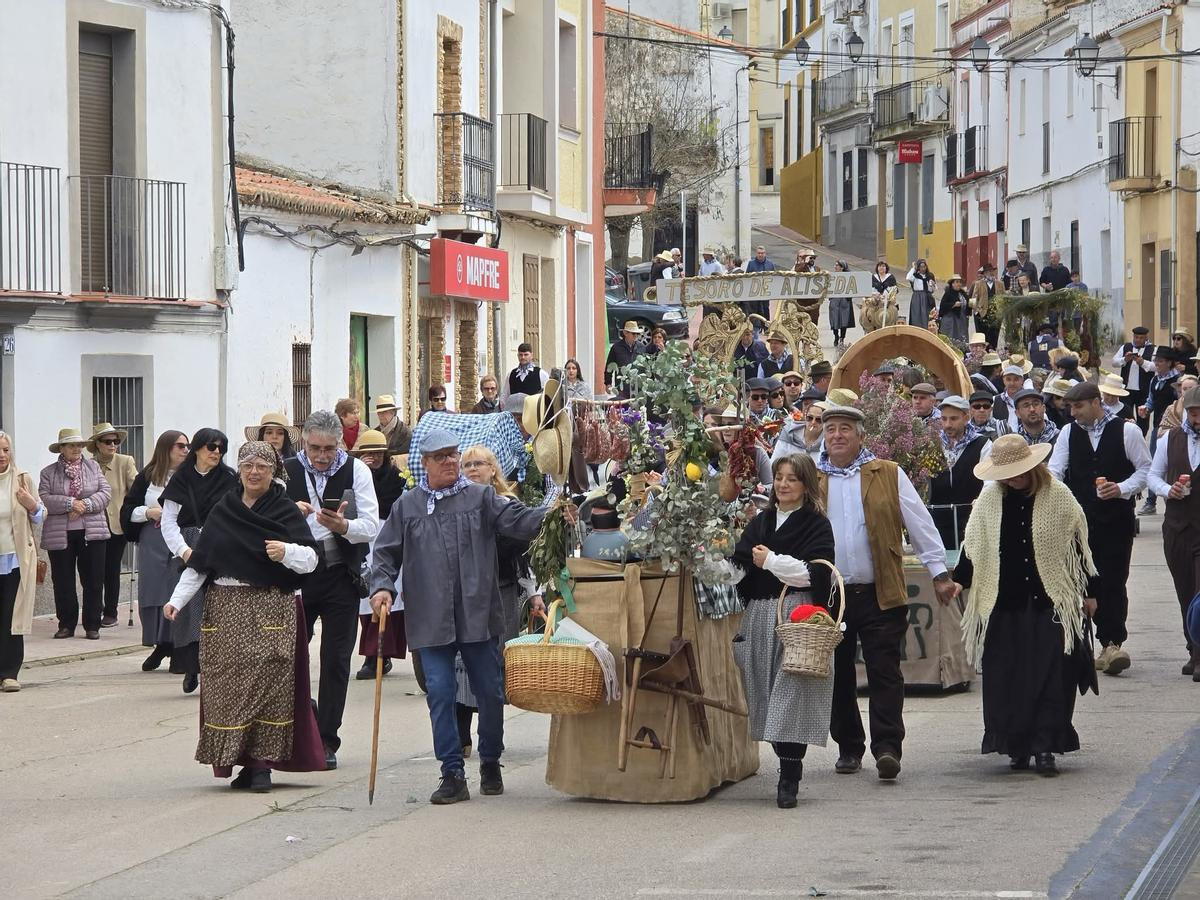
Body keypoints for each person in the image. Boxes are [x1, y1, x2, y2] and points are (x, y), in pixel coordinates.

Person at [367, 428, 562, 804]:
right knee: (440, 691)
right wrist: (381, 587)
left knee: (489, 690)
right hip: (430, 614)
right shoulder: (408, 506)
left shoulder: (481, 498)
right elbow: (385, 552)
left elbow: (520, 520)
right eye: (441, 456)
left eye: (452, 454)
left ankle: (490, 760)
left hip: (477, 611)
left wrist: (553, 512)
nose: (450, 461)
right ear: (424, 463)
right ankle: (452, 772)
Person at [163, 441, 324, 793]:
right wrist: (176, 600)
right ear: (239, 470)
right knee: (229, 688)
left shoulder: (283, 509)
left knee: (268, 684)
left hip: (271, 607)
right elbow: (201, 563)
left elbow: (311, 559)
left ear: (273, 471)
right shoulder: (224, 510)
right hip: (224, 609)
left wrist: (286, 551)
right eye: (247, 466)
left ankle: (262, 763)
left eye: (261, 467)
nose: (254, 472)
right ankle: (244, 762)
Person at [816, 405, 957, 780]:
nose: (837, 435)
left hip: (880, 590)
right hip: (831, 595)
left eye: (845, 428)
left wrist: (938, 573)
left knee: (885, 671)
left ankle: (887, 747)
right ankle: (849, 747)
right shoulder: (812, 477)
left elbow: (919, 522)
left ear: (861, 435)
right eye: (831, 429)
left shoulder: (888, 472)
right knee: (838, 674)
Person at [955, 435, 1099, 776]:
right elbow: (974, 545)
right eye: (1005, 474)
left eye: (1017, 472)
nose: (1012, 479)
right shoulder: (989, 499)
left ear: (1033, 467)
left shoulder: (1058, 495)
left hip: (1049, 602)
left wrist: (1090, 593)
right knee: (1007, 679)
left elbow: (1079, 547)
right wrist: (959, 580)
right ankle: (1015, 746)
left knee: (1050, 677)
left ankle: (1045, 746)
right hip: (1003, 603)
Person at [731, 454, 836, 808]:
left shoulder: (816, 524)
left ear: (806, 484)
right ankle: (786, 759)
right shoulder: (760, 522)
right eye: (779, 477)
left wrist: (771, 561)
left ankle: (789, 775)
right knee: (764, 693)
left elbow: (816, 573)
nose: (784, 484)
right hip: (760, 615)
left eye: (792, 478)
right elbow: (740, 566)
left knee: (791, 693)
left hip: (797, 616)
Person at [284, 410, 380, 768]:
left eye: (329, 448)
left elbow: (370, 525)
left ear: (340, 443)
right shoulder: (287, 470)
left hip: (341, 573)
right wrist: (290, 515)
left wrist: (343, 527)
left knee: (337, 660)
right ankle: (303, 720)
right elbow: (264, 518)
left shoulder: (357, 471)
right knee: (290, 655)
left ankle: (327, 739)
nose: (322, 456)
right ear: (304, 442)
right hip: (297, 574)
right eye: (315, 448)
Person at [1049, 382, 1151, 676]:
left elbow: (1145, 470)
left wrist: (1121, 488)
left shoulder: (1127, 431)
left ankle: (1112, 643)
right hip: (1079, 523)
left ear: (1096, 402)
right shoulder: (1068, 433)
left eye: (1078, 406)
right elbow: (1056, 471)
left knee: (1114, 580)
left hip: (1116, 520)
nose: (1073, 412)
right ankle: (1086, 645)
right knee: (1083, 582)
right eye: (1070, 407)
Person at [456, 445, 545, 754]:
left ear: (492, 469)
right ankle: (462, 736)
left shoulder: (508, 505)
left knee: (494, 662)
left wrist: (533, 593)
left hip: (502, 590)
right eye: (467, 465)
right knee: (461, 662)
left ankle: (490, 737)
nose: (472, 469)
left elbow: (524, 556)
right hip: (465, 593)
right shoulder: (455, 505)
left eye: (478, 463)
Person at [160, 428, 239, 692]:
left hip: (222, 544)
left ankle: (218, 670)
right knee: (191, 608)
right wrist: (184, 551)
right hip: (188, 543)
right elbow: (168, 522)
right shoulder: (180, 479)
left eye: (221, 448)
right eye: (211, 447)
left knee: (220, 608)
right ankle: (191, 667)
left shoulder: (229, 478)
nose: (216, 452)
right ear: (197, 448)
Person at [119, 430, 190, 673]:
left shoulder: (191, 475)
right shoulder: (147, 476)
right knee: (154, 589)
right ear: (166, 448)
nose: (185, 450)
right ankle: (160, 643)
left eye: (187, 446)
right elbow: (128, 509)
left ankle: (177, 644)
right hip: (153, 538)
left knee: (177, 588)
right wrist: (148, 512)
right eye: (180, 446)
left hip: (181, 537)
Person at [1147, 384, 1200, 681]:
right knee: (1185, 592)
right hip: (1178, 528)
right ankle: (1192, 648)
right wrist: (1169, 490)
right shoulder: (1170, 439)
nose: (1197, 418)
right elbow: (1153, 476)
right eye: (1193, 413)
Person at [39, 428, 111, 641]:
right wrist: (70, 503)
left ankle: (92, 625)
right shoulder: (48, 472)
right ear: (61, 448)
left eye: (79, 445)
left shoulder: (93, 467)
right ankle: (66, 624)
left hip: (92, 532)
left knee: (94, 580)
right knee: (63, 581)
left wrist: (84, 505)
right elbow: (45, 497)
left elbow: (105, 493)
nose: (77, 449)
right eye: (71, 445)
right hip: (59, 534)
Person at [349, 429, 407, 681]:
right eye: (368, 453)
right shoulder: (354, 478)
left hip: (390, 539)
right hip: (364, 542)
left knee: (389, 596)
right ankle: (372, 655)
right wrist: (361, 473)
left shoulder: (397, 480)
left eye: (377, 453)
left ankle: (381, 654)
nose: (373, 458)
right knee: (366, 598)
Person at [0, 432, 45, 692]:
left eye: (6, 450)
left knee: (11, 617)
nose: (2, 455)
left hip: (15, 560)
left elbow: (40, 515)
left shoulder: (22, 479)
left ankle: (9, 673)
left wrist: (31, 505)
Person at [87, 422, 138, 627]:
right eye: (107, 441)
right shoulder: (88, 465)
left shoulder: (125, 462)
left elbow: (135, 490)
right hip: (92, 526)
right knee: (92, 570)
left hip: (116, 526)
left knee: (111, 569)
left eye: (115, 441)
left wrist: (135, 515)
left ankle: (111, 612)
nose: (113, 445)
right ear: (97, 444)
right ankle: (94, 608)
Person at [929, 395, 991, 549]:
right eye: (944, 419)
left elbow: (989, 482)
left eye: (953, 419)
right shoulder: (931, 444)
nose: (948, 424)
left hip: (972, 522)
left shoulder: (983, 444)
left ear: (966, 417)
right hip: (938, 523)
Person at [1138, 348, 1182, 515]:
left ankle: (1174, 497)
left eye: (1160, 361)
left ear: (1169, 363)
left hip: (1175, 428)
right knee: (1154, 463)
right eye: (1156, 360)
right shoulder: (1155, 379)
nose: (1156, 363)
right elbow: (1151, 400)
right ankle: (1151, 501)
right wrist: (1146, 409)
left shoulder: (1177, 381)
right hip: (1158, 427)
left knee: (1173, 463)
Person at [1113, 326, 1156, 428]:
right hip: (1126, 390)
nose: (1138, 340)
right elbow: (1114, 362)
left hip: (1144, 390)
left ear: (1146, 338)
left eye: (1141, 338)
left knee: (1143, 419)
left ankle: (1141, 435)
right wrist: (1124, 359)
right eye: (1136, 337)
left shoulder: (1153, 349)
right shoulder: (1126, 347)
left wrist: (1143, 362)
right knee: (1125, 416)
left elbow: (1156, 366)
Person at [604, 320, 644, 394]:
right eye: (633, 333)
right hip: (622, 386)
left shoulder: (641, 347)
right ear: (625, 333)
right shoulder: (616, 347)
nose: (636, 335)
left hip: (638, 387)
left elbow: (644, 367)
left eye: (637, 333)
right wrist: (608, 383)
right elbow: (609, 366)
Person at [992, 365, 1029, 431]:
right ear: (1004, 380)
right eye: (1008, 379)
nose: (1012, 383)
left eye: (1016, 379)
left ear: (1022, 380)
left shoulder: (1030, 400)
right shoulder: (994, 401)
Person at [972, 264, 1000, 347]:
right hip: (982, 314)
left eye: (992, 271)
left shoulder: (1000, 284)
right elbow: (974, 298)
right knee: (982, 337)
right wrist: (975, 311)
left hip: (996, 314)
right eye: (988, 271)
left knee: (994, 336)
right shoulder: (978, 284)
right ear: (984, 273)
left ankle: (993, 351)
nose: (990, 273)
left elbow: (1003, 297)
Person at [828, 260, 855, 347]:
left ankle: (842, 338)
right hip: (835, 301)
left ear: (842, 267)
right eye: (835, 265)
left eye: (837, 265)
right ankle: (836, 336)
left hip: (844, 301)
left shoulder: (848, 277)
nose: (835, 267)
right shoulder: (832, 277)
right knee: (834, 320)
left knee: (844, 320)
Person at [937, 275, 970, 344]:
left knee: (962, 336)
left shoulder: (963, 293)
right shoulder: (948, 293)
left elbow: (967, 302)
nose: (959, 284)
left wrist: (970, 305)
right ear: (952, 284)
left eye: (960, 282)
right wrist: (953, 305)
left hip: (962, 319)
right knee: (952, 336)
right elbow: (943, 306)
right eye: (957, 282)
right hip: (951, 319)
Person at [905, 259, 936, 328]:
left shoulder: (930, 276)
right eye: (921, 267)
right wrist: (913, 268)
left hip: (927, 297)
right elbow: (908, 277)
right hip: (917, 297)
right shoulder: (915, 276)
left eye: (924, 266)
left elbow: (933, 289)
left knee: (927, 314)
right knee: (916, 314)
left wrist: (933, 285)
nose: (923, 269)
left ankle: (927, 328)